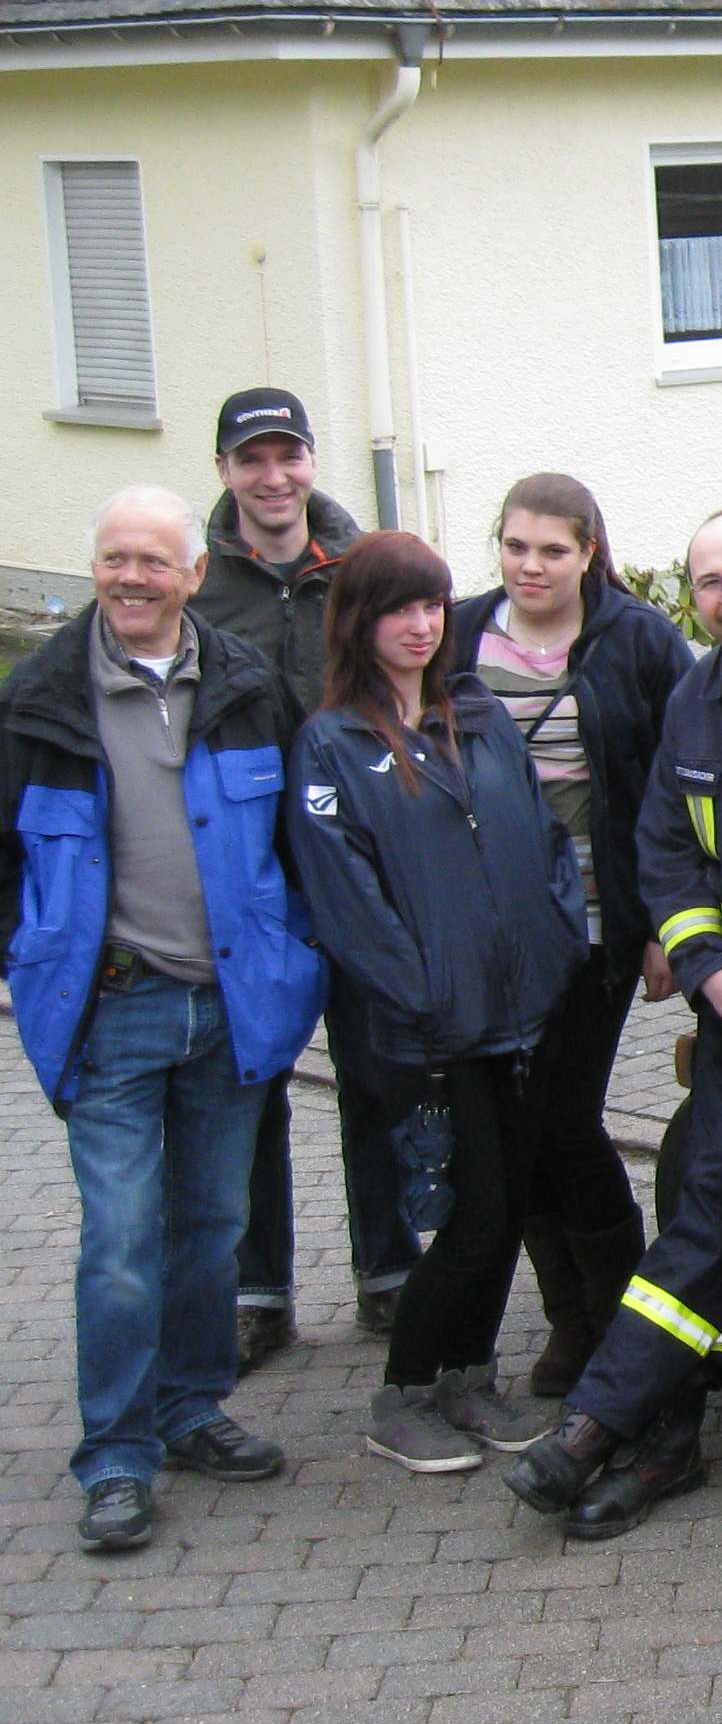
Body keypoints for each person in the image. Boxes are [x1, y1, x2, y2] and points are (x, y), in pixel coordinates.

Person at [3, 487, 319, 1551]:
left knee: (212, 1231)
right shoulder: (38, 699)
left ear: (194, 574)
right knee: (124, 1242)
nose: (130, 577)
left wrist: (296, 960)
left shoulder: (243, 685)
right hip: (112, 1010)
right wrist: (33, 955)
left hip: (229, 1010)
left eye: (152, 560)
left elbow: (295, 841)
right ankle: (118, 1455)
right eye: (111, 558)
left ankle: (191, 1408)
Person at [502, 508, 722, 1538]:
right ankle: (663, 1436)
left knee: (720, 1203)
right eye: (709, 583)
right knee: (721, 1205)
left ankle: (603, 1423)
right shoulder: (695, 696)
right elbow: (664, 853)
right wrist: (709, 967)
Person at [286, 533, 585, 1474]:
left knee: (504, 1211)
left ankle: (467, 1374)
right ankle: (404, 1394)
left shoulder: (481, 717)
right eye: (399, 609)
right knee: (473, 1216)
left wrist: (553, 954)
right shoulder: (332, 745)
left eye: (433, 606)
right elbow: (348, 903)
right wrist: (425, 1001)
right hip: (427, 1035)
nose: (421, 626)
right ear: (360, 622)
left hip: (517, 1020)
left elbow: (544, 846)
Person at [448, 474, 693, 1398]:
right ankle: (571, 1320)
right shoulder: (463, 631)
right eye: (516, 546)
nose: (532, 566)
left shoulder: (636, 639)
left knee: (562, 1116)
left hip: (598, 928)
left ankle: (622, 1314)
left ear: (589, 550)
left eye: (553, 549)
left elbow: (679, 782)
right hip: (493, 934)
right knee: (519, 1128)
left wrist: (670, 924)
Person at [191, 390, 405, 1362]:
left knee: (377, 1076)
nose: (273, 477)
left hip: (356, 866)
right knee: (253, 1083)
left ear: (313, 462)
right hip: (247, 879)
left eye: (289, 456)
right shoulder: (202, 585)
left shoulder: (361, 573)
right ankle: (257, 1292)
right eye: (253, 459)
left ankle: (390, 1275)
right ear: (227, 469)